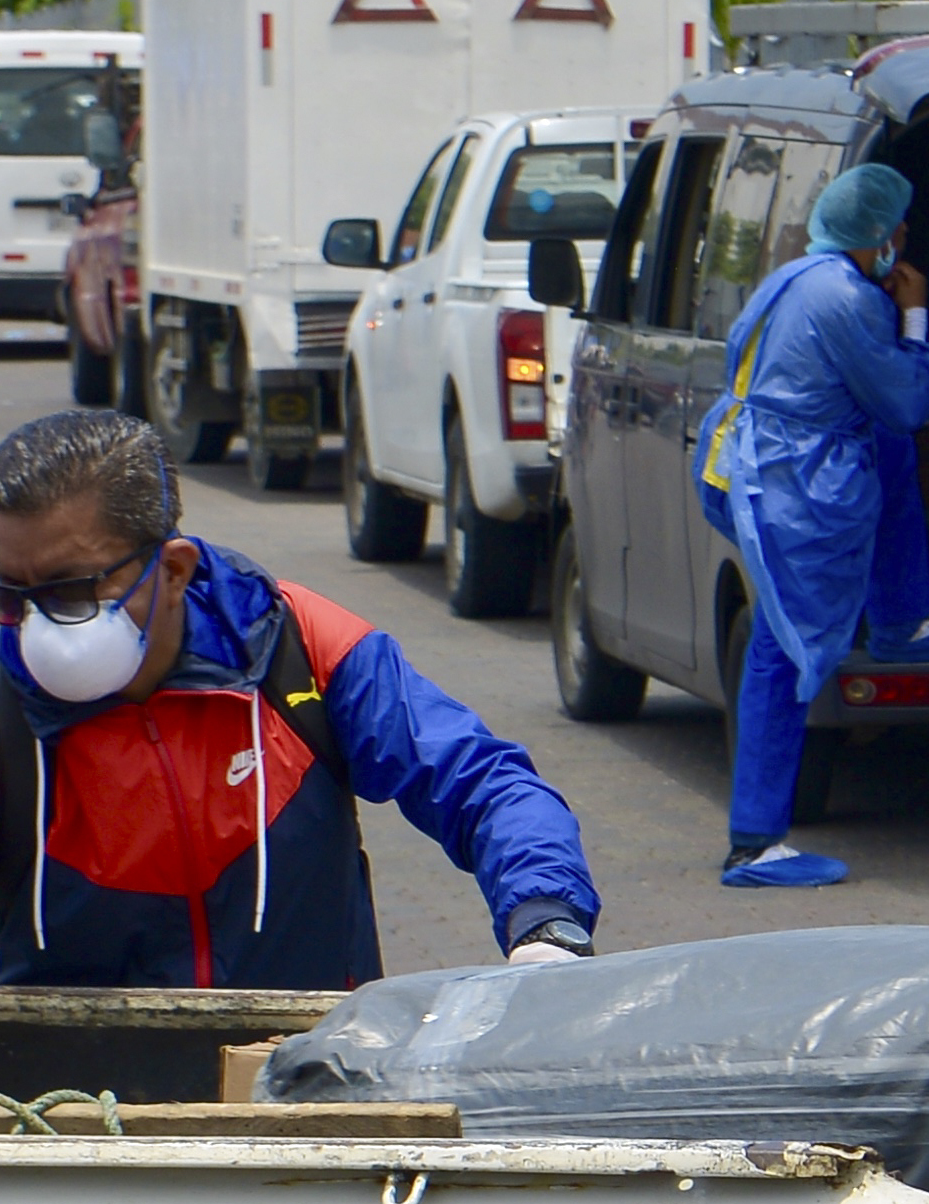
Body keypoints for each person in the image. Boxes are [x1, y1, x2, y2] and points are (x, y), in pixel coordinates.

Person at [0, 409, 597, 983]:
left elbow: (478, 779)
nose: (34, 624)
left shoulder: (295, 645)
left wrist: (545, 920)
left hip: (303, 1064)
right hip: (65, 1075)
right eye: (9, 594)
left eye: (69, 590)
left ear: (175, 571)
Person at [699, 161, 929, 891]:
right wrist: (915, 317)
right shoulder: (849, 297)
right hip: (797, 482)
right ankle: (755, 843)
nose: (905, 239)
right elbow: (905, 401)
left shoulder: (792, 278)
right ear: (882, 235)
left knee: (780, 633)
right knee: (779, 646)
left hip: (756, 460)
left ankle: (903, 621)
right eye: (900, 228)